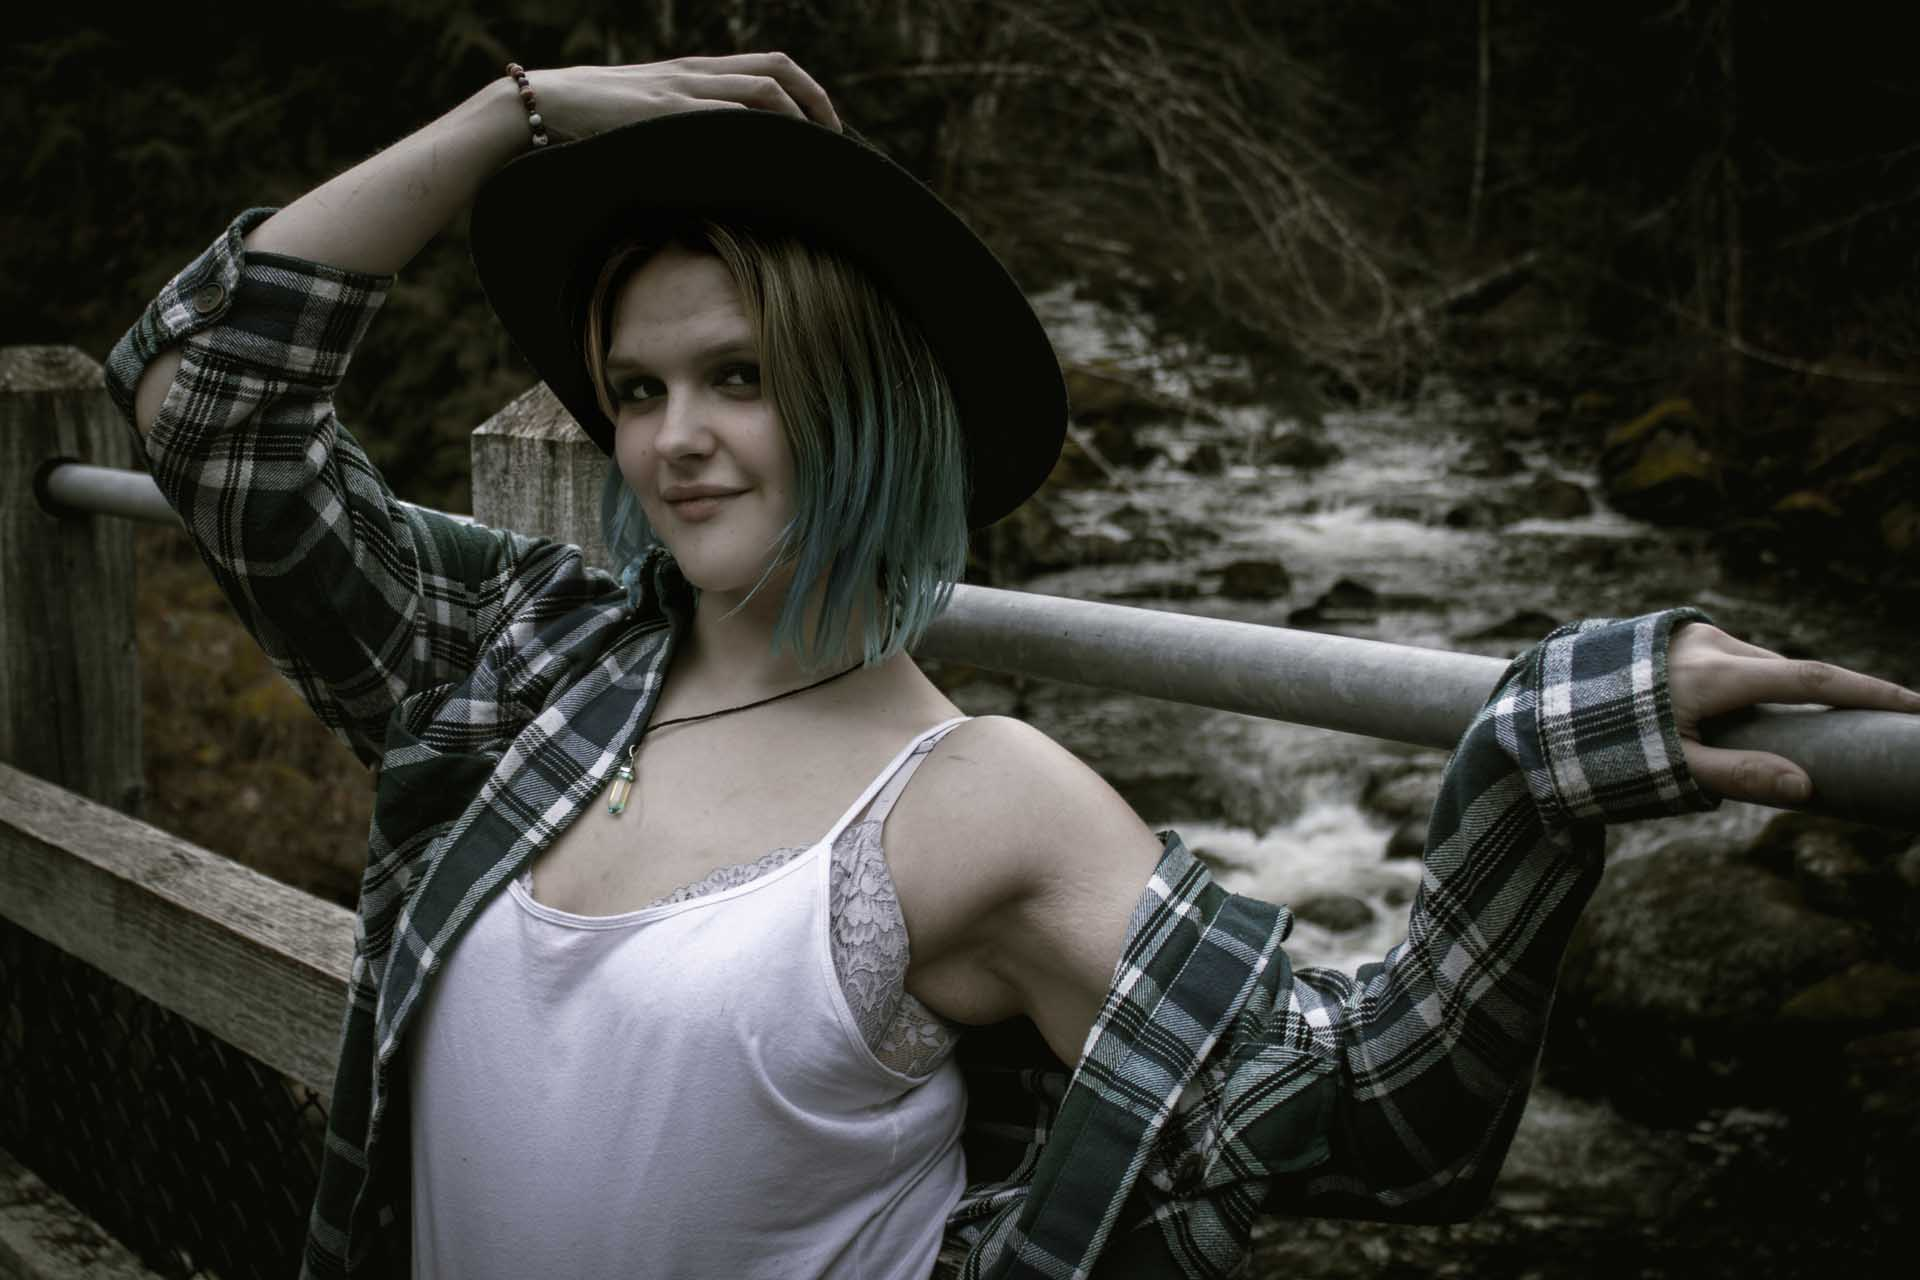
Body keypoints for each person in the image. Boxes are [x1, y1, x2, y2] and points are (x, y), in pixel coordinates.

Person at [108, 54, 1920, 1280]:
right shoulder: (525, 657)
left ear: (867, 403)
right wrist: (515, 113)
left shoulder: (981, 806)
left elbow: (1381, 1121)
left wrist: (1537, 751)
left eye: (740, 377)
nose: (670, 441)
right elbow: (204, 406)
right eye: (637, 388)